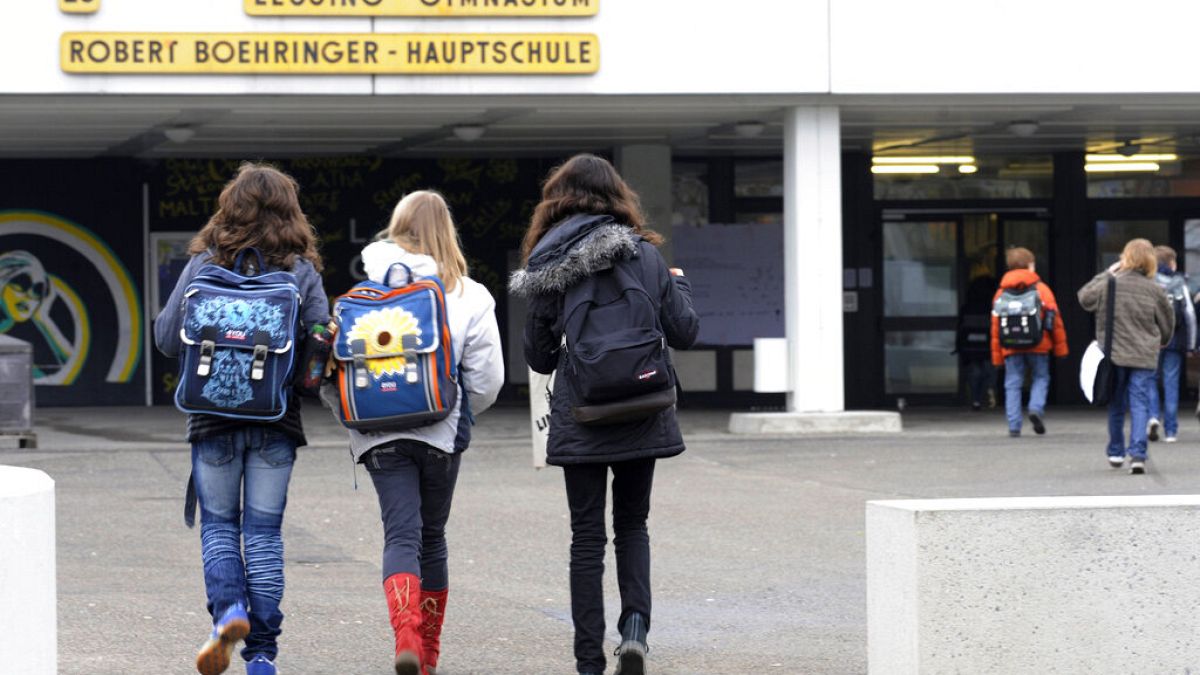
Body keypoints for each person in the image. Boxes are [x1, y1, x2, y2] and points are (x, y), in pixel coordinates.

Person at [510, 154, 700, 675]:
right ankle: (635, 630)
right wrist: (678, 284)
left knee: (586, 537)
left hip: (585, 411)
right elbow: (685, 332)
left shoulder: (548, 262)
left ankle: (587, 660)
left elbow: (540, 357)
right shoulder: (644, 254)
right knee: (633, 525)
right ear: (617, 196)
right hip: (644, 405)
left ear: (558, 201)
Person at [154, 163, 329, 675]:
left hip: (211, 419)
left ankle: (229, 611)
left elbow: (167, 339)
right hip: (277, 420)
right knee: (265, 534)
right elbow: (318, 347)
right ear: (289, 212)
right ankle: (262, 654)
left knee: (219, 527)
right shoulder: (300, 270)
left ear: (229, 207)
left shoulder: (203, 264)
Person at [337, 190, 504, 675]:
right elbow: (487, 379)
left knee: (400, 536)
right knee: (432, 538)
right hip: (439, 433)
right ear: (446, 232)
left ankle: (404, 635)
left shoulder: (364, 294)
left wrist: (355, 417)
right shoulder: (470, 294)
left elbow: (337, 373)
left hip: (378, 436)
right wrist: (462, 411)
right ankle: (426, 656)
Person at [1078, 238, 1174, 475]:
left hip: (1115, 355)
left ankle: (1116, 451)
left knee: (1116, 404)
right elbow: (1167, 324)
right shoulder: (1155, 289)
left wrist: (1107, 272)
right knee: (1140, 403)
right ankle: (1138, 455)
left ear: (1125, 258)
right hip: (1143, 356)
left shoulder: (1110, 283)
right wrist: (1161, 341)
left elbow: (1084, 298)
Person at [990, 247, 1068, 436]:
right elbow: (1054, 320)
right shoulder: (1042, 289)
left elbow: (995, 327)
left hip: (1010, 345)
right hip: (1039, 344)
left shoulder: (1001, 293)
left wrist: (997, 358)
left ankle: (1014, 426)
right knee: (1041, 378)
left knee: (1012, 383)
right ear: (1030, 265)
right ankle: (1035, 408)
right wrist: (1060, 349)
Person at [1147, 245, 1196, 443]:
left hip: (1150, 341)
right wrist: (1191, 344)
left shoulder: (1147, 282)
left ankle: (1151, 416)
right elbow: (1190, 315)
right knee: (1171, 383)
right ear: (1172, 263)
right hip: (1174, 342)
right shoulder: (1179, 283)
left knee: (1150, 379)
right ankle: (1171, 431)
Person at [958, 274, 997, 411]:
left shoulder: (968, 306)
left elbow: (961, 328)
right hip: (988, 344)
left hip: (971, 346)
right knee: (989, 371)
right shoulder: (992, 306)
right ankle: (989, 395)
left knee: (974, 373)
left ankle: (976, 399)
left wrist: (959, 347)